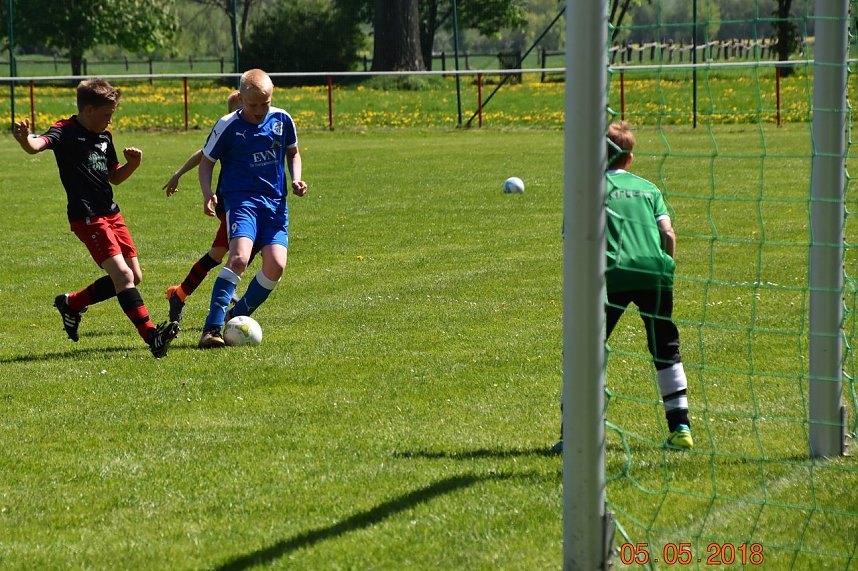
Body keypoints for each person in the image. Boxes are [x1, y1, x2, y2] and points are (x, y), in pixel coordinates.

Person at [12, 78, 179, 358]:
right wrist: (24, 139)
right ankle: (152, 336)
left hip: (111, 213)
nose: (109, 120)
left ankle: (72, 304)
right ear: (88, 110)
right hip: (86, 215)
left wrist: (133, 165)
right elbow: (37, 145)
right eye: (106, 115)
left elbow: (114, 176)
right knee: (123, 275)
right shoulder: (65, 131)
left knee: (133, 276)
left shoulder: (105, 137)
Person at [553, 121, 692, 452]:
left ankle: (571, 434)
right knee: (666, 349)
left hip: (609, 276)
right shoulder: (649, 188)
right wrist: (667, 266)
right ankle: (681, 427)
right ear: (629, 159)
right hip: (655, 274)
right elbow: (668, 234)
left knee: (583, 352)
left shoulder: (588, 189)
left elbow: (571, 238)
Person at [197, 69, 308, 348]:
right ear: (241, 98)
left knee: (276, 265)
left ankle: (238, 314)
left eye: (265, 103)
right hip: (242, 201)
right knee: (238, 258)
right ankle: (211, 329)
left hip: (275, 205)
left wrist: (296, 178)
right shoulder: (228, 125)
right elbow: (206, 160)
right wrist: (208, 192)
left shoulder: (283, 120)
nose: (259, 110)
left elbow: (293, 153)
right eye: (253, 104)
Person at [162, 89, 254, 323]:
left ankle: (180, 294)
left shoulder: (257, 130)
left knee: (226, 252)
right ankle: (182, 294)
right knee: (226, 252)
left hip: (252, 202)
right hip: (233, 202)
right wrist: (178, 174)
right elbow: (203, 155)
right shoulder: (229, 131)